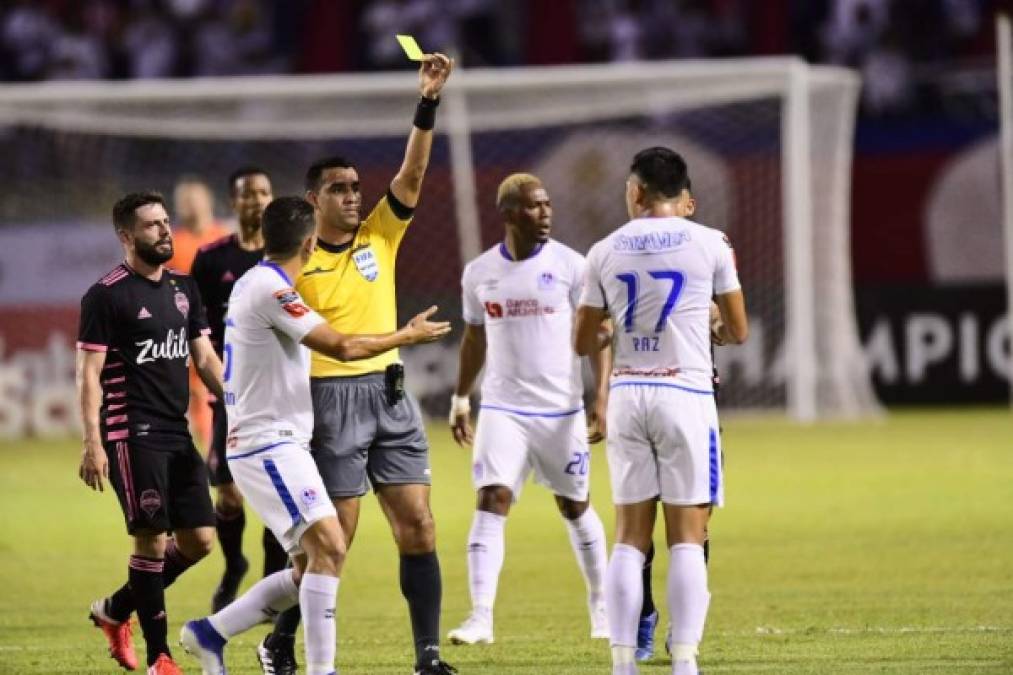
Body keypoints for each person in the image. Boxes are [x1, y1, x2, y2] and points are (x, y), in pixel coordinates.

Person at [179, 196, 451, 675]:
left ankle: (210, 633)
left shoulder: (255, 282)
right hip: (267, 445)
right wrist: (404, 337)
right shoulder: (271, 290)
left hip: (277, 442)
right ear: (309, 243)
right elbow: (344, 346)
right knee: (330, 546)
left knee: (310, 564)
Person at [259, 52, 457, 675]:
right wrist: (403, 333)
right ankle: (277, 639)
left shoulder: (379, 234)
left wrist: (427, 101)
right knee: (332, 544)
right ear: (313, 200)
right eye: (340, 189)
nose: (353, 196)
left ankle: (427, 657)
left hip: (392, 395)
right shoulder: (293, 266)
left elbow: (414, 172)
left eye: (355, 187)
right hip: (329, 401)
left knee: (419, 526)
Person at [573, 147, 748, 675]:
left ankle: (623, 663)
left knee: (630, 535)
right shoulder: (711, 243)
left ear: (637, 192)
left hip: (628, 395)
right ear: (683, 193)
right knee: (688, 536)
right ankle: (686, 661)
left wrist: (612, 328)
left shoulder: (604, 250)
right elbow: (737, 331)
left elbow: (584, 340)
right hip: (687, 395)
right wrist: (713, 325)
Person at [445, 173, 610, 645]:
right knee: (491, 498)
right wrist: (461, 399)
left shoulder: (572, 266)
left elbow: (600, 333)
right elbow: (474, 337)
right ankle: (480, 617)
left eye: (548, 205)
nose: (546, 214)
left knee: (574, 505)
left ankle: (601, 609)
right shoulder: (479, 273)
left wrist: (601, 397)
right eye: (535, 207)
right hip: (503, 409)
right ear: (509, 213)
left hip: (561, 411)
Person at [78, 191, 225, 675]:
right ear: (126, 236)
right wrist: (92, 442)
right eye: (151, 225)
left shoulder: (184, 288)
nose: (165, 231)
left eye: (165, 222)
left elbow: (203, 358)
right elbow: (88, 374)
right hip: (129, 431)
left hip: (176, 431)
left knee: (201, 540)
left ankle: (116, 609)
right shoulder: (106, 295)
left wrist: (236, 403)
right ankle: (161, 657)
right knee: (149, 539)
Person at [190, 166, 291, 614]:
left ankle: (271, 585)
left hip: (279, 398)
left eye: (265, 192)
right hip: (230, 397)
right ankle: (234, 565)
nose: (258, 200)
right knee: (227, 495)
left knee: (274, 492)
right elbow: (198, 331)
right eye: (248, 194)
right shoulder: (211, 260)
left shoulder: (286, 258)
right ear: (233, 203)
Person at [169, 176, 230, 455]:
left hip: (229, 326)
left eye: (195, 199)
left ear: (208, 201)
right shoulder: (172, 244)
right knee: (199, 392)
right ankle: (213, 454)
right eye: (185, 201)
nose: (191, 206)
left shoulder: (226, 238)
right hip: (192, 330)